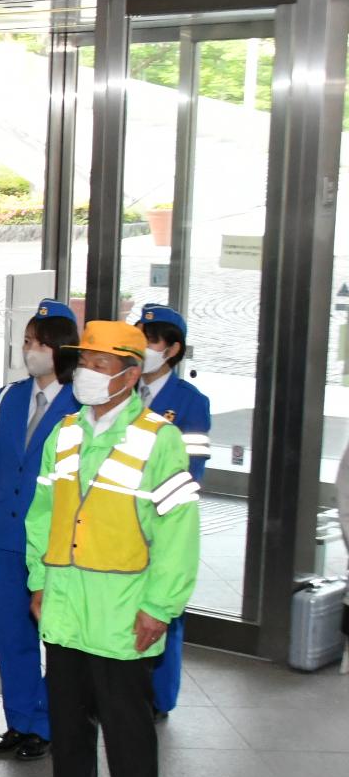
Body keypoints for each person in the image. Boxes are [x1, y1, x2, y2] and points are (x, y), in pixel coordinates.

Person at [19, 320, 201, 777]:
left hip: (125, 610)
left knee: (127, 729)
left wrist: (160, 607)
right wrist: (38, 580)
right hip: (68, 603)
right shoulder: (67, 432)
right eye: (84, 362)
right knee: (68, 720)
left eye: (101, 364)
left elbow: (177, 533)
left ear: (129, 372)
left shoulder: (159, 438)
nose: (88, 373)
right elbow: (43, 514)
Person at [0, 299, 81, 760]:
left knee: (54, 636)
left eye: (37, 343)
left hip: (55, 541)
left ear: (60, 349)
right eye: (26, 343)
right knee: (10, 633)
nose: (29, 351)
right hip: (4, 536)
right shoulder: (8, 396)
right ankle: (20, 720)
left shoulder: (82, 403)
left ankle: (49, 719)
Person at [136, 303, 212, 717]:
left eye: (151, 341)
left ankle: (159, 698)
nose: (143, 347)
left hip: (162, 522)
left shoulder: (189, 401)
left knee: (165, 611)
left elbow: (191, 470)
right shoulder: (122, 392)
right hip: (121, 523)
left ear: (172, 349)